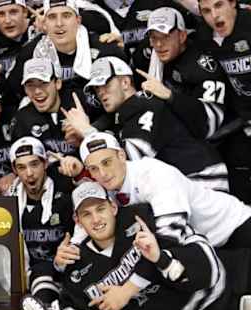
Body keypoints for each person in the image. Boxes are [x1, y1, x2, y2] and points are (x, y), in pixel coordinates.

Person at [26, 181, 225, 310]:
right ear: (77, 221)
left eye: (101, 209)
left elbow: (207, 261)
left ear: (113, 207)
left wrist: (157, 261)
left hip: (208, 304)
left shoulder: (142, 217)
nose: (96, 220)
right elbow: (79, 305)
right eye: (86, 214)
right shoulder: (76, 263)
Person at [79, 132, 251, 249]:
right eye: (94, 169)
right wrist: (73, 246)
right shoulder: (101, 189)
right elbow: (85, 223)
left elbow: (171, 233)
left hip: (235, 225)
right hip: (206, 246)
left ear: (122, 156)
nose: (103, 174)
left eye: (107, 162)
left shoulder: (154, 174)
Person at [82, 56, 228, 191]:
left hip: (201, 177)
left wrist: (88, 134)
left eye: (105, 84)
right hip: (189, 178)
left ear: (125, 82)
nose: (101, 92)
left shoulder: (144, 104)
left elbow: (132, 159)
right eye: (96, 88)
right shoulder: (125, 112)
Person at [0, 136, 75, 310]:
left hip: (63, 271)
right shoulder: (6, 204)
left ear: (45, 163)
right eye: (21, 167)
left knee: (43, 270)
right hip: (26, 278)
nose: (29, 173)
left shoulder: (65, 196)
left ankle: (46, 309)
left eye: (34, 164)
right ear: (14, 170)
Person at [139, 7, 229, 140]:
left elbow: (211, 121)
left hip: (216, 140)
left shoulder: (201, 66)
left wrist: (169, 96)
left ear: (182, 36)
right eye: (153, 37)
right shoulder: (148, 51)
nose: (158, 44)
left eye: (166, 36)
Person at [195, 0, 251, 203]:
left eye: (219, 6)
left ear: (233, 3)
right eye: (207, 11)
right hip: (240, 117)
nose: (215, 16)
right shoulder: (204, 35)